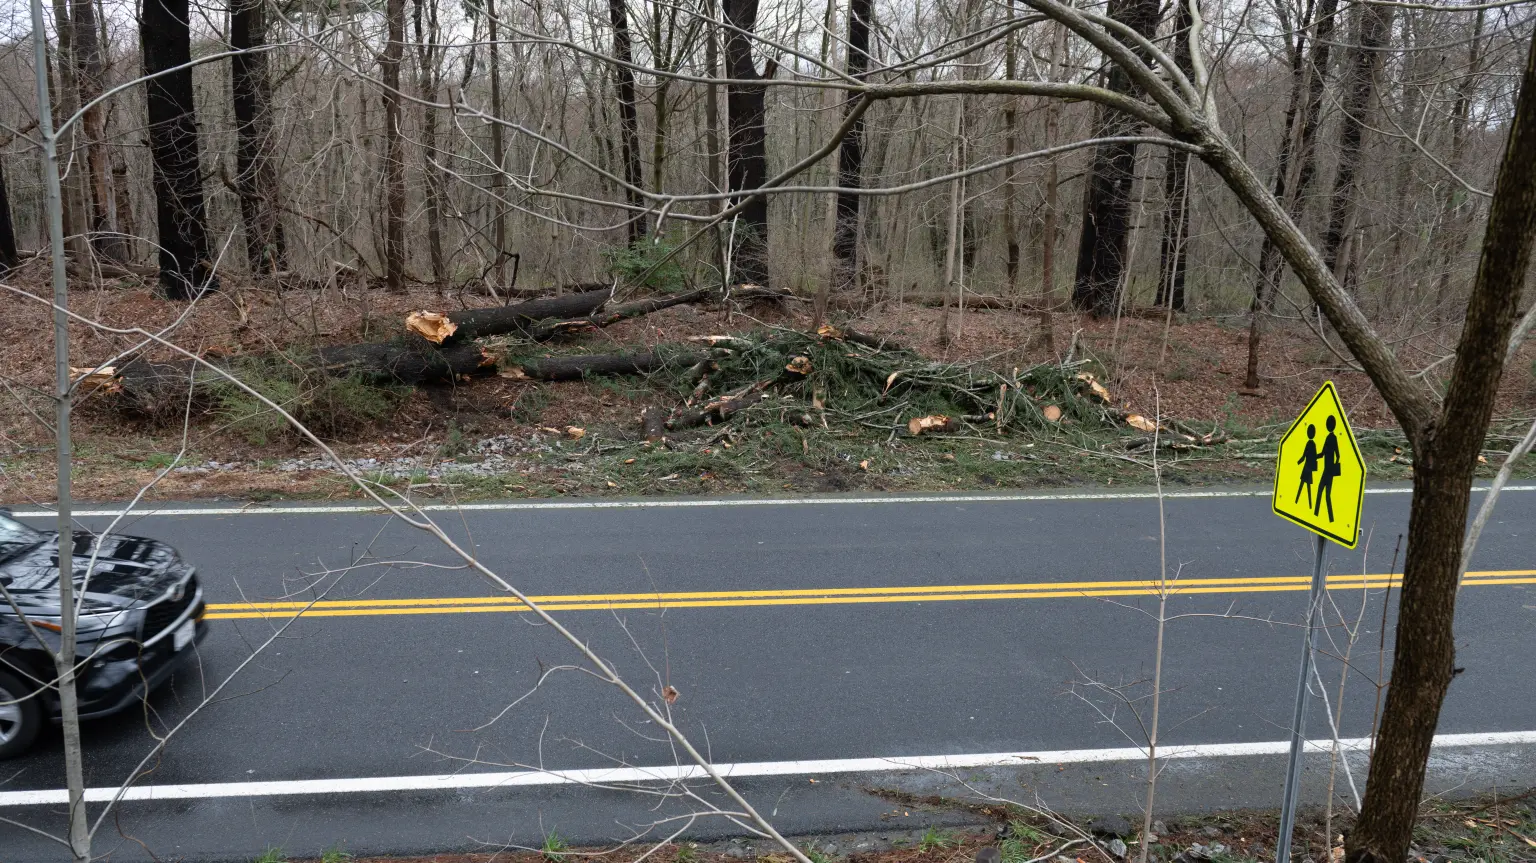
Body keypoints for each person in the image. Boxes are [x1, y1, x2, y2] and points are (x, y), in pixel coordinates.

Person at [1314, 415, 1341, 521]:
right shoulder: (1332, 438)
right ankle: (1329, 517)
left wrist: (1314, 456)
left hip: (1327, 471)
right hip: (1329, 470)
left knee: (1322, 492)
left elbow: (1323, 454)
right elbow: (1336, 455)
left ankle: (1323, 515)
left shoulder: (1331, 438)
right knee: (1325, 494)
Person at [1294, 424, 1320, 509]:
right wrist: (1297, 462)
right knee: (1305, 485)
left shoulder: (1309, 444)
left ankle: (1301, 502)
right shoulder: (1312, 444)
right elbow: (1312, 456)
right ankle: (1308, 504)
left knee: (1303, 484)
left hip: (1307, 467)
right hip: (1308, 467)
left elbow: (1304, 456)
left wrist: (1298, 462)